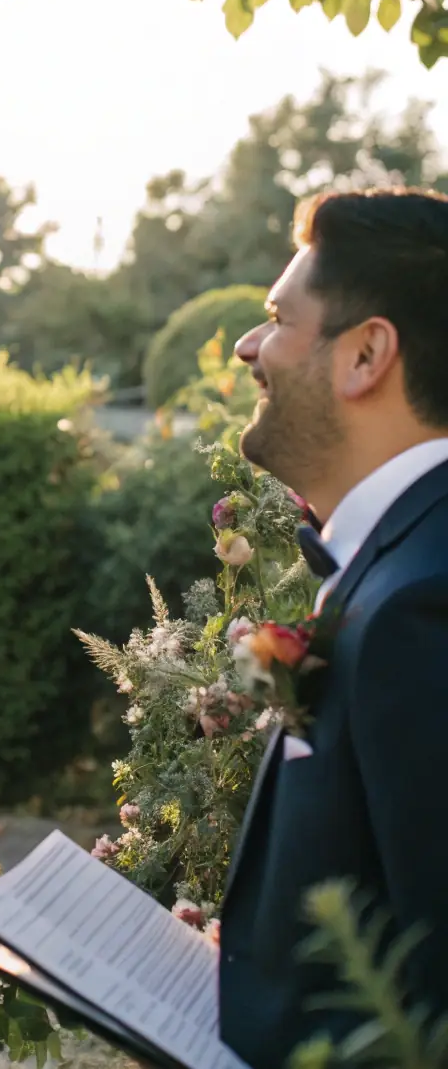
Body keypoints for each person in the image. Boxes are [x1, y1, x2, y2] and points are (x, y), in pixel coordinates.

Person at [219, 189, 448, 1069]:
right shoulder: (397, 566)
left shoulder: (425, 605)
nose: (249, 345)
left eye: (278, 318)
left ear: (365, 353)